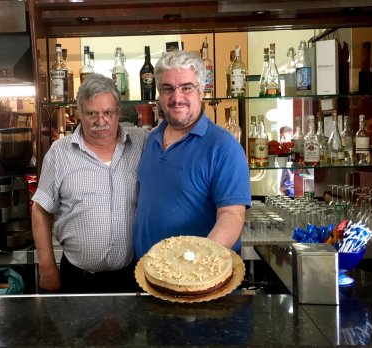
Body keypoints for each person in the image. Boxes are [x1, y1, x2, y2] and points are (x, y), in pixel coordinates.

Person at [31, 74, 148, 293]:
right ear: (79, 114)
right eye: (92, 113)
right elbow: (40, 209)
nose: (101, 121)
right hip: (78, 278)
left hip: (131, 276)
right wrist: (46, 266)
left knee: (132, 328)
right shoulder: (60, 152)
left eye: (108, 113)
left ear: (118, 113)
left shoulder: (141, 143)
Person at [134, 50, 252, 258]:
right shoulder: (151, 139)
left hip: (199, 281)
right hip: (149, 275)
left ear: (201, 91)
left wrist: (196, 262)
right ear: (159, 94)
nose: (176, 97)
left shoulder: (224, 147)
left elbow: (231, 216)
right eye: (167, 88)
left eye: (186, 88)